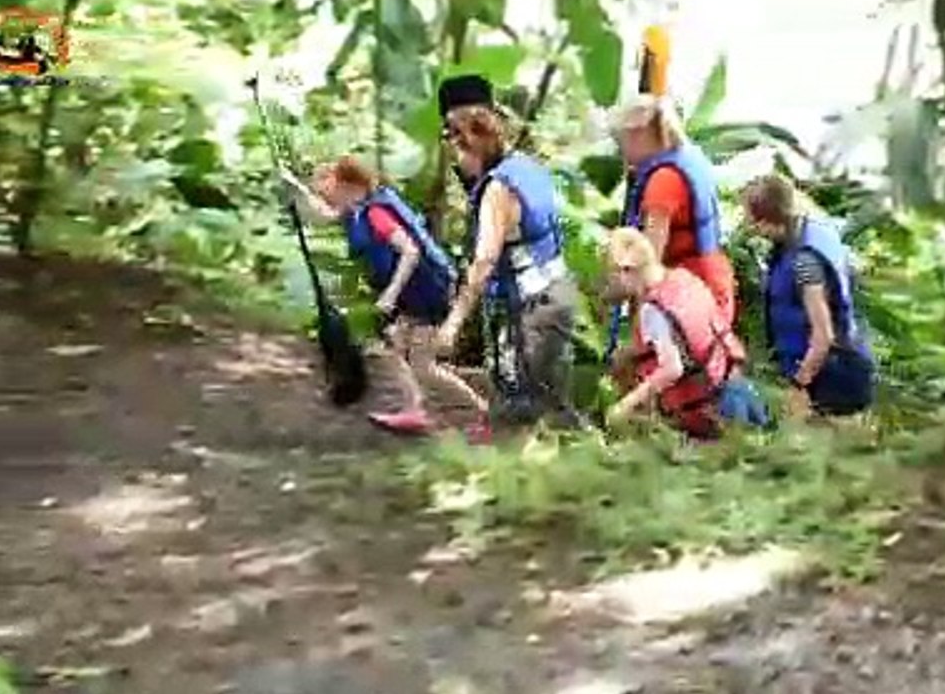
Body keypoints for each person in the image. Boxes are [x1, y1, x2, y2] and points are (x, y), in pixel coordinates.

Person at [280, 155, 487, 433]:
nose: (323, 194)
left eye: (326, 186)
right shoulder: (355, 209)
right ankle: (415, 410)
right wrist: (294, 187)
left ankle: (482, 410)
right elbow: (322, 214)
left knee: (423, 365)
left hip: (427, 294)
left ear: (346, 184)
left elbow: (410, 251)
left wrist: (390, 294)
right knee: (394, 347)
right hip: (412, 295)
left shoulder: (375, 213)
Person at [433, 73, 580, 438]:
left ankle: (528, 475)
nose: (452, 154)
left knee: (524, 404)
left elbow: (484, 261)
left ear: (465, 137)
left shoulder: (498, 188)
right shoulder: (527, 167)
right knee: (548, 399)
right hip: (555, 293)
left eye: (451, 139)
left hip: (528, 309)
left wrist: (453, 323)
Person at [604, 227, 767, 439]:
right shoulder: (683, 278)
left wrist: (625, 406)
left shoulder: (652, 311)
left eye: (613, 274)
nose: (613, 282)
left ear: (627, 269)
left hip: (714, 409)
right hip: (741, 389)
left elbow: (672, 369)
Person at [741, 174, 875, 419]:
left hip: (833, 376)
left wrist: (800, 384)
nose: (752, 229)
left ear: (768, 220)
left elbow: (823, 335)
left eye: (753, 222)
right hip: (834, 366)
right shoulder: (813, 230)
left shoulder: (805, 261)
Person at [612, 94, 737, 325]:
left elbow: (649, 260)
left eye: (622, 141)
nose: (622, 150)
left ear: (639, 135)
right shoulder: (688, 156)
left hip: (688, 291)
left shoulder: (664, 181)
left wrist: (637, 319)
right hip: (712, 278)